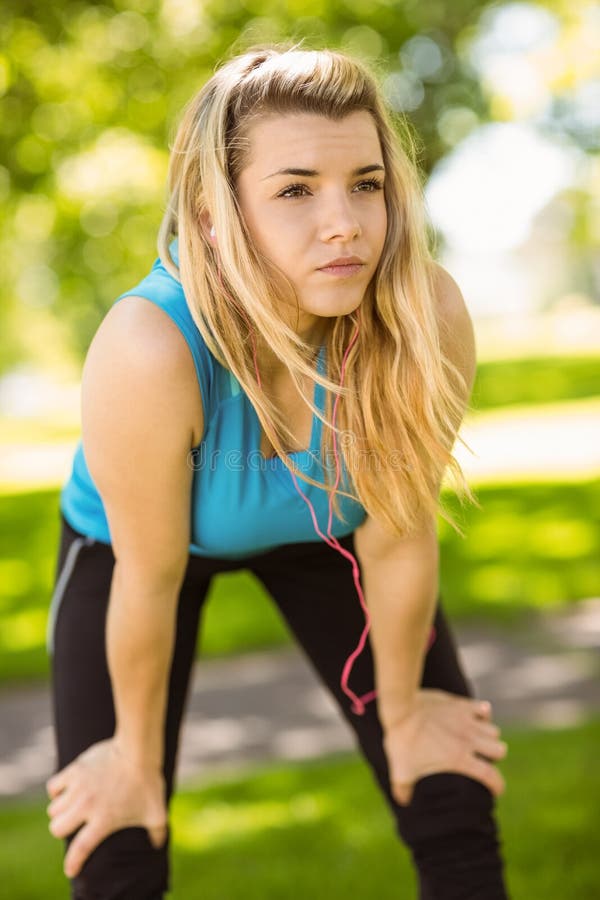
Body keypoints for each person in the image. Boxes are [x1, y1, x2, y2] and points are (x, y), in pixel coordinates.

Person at [45, 42, 510, 899]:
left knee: (449, 785)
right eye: (295, 190)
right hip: (140, 554)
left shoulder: (422, 312)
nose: (346, 223)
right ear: (216, 214)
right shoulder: (150, 349)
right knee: (116, 830)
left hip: (325, 535)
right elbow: (150, 578)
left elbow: (401, 537)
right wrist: (134, 758)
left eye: (365, 183)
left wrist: (406, 714)